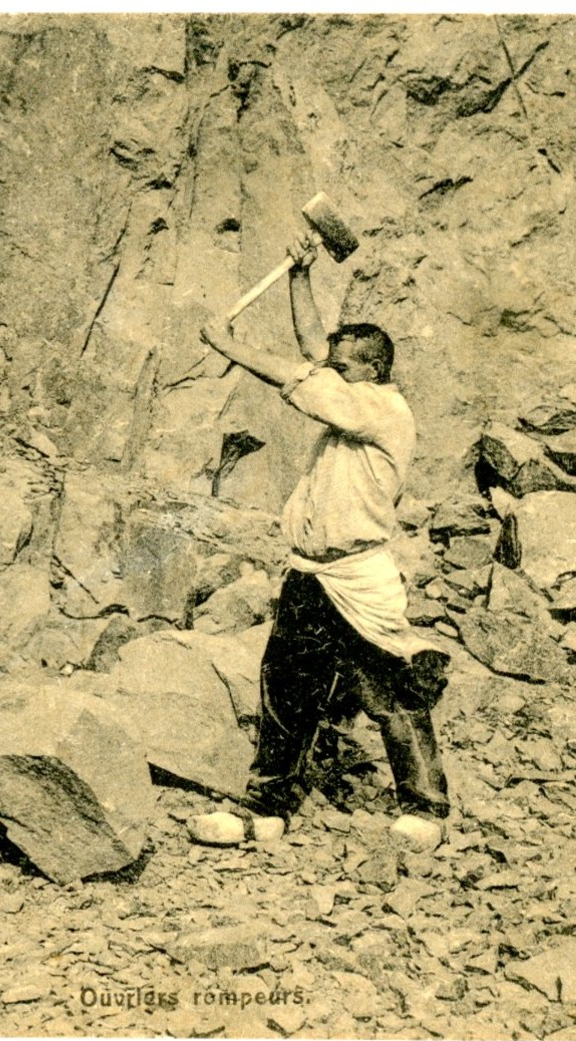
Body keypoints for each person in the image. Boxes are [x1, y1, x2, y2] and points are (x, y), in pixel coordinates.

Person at [198, 233, 452, 853]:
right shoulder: (352, 390)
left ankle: (426, 808)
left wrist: (228, 346)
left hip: (360, 575)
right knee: (285, 687)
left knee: (388, 688)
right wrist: (299, 278)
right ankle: (267, 805)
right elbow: (314, 353)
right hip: (307, 573)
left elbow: (303, 376)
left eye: (343, 366)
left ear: (372, 369)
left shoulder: (383, 409)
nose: (329, 371)